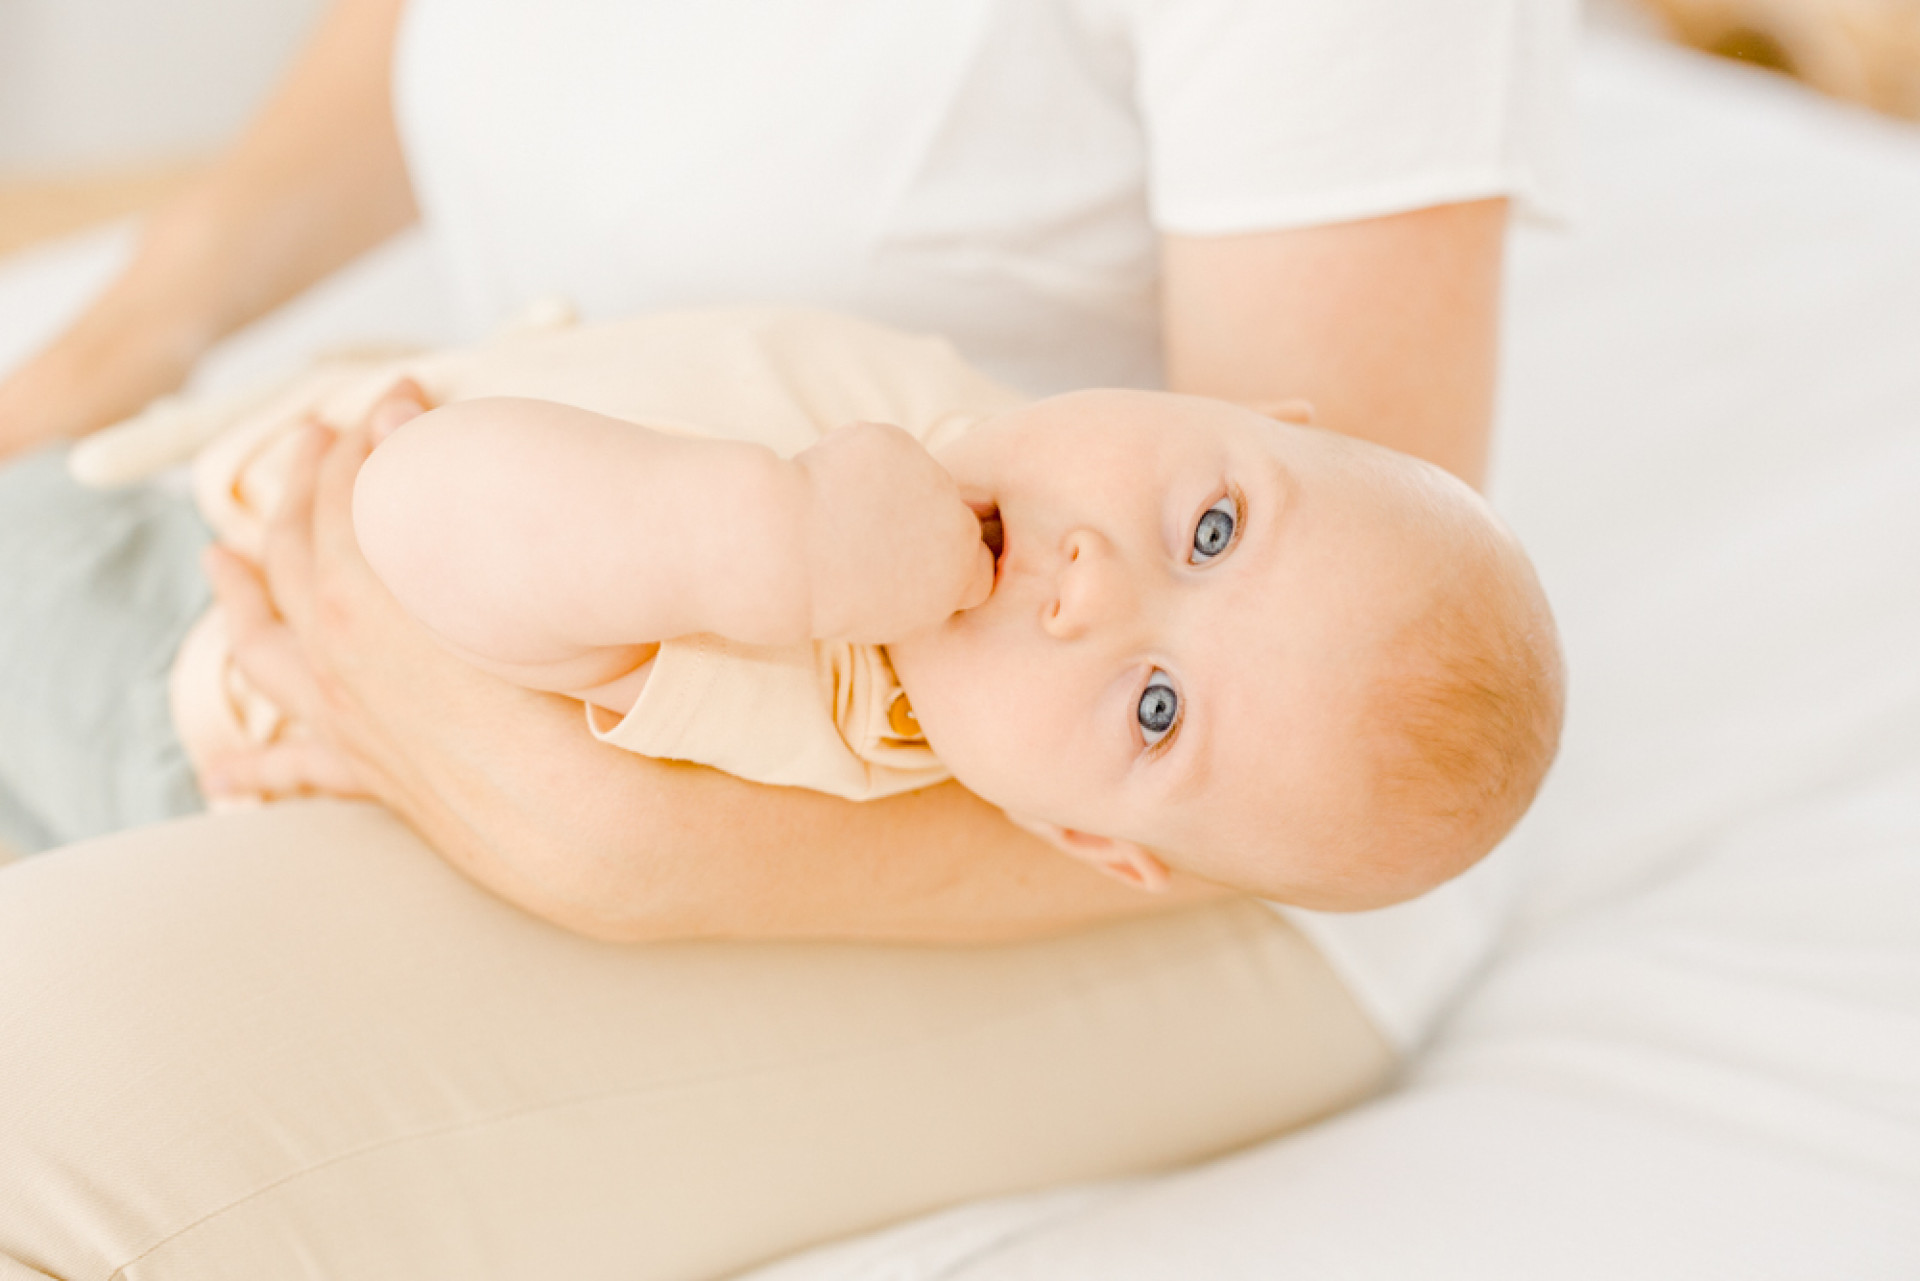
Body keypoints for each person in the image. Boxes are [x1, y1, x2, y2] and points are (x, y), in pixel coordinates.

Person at [0, 0, 1573, 1275]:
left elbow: (1339, 609)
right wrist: (126, 328)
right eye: (1205, 529)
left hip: (1185, 897)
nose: (1095, 583)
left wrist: (634, 823)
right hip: (243, 550)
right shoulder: (923, 480)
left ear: (1105, 828)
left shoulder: (854, 682)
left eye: (1152, 702)